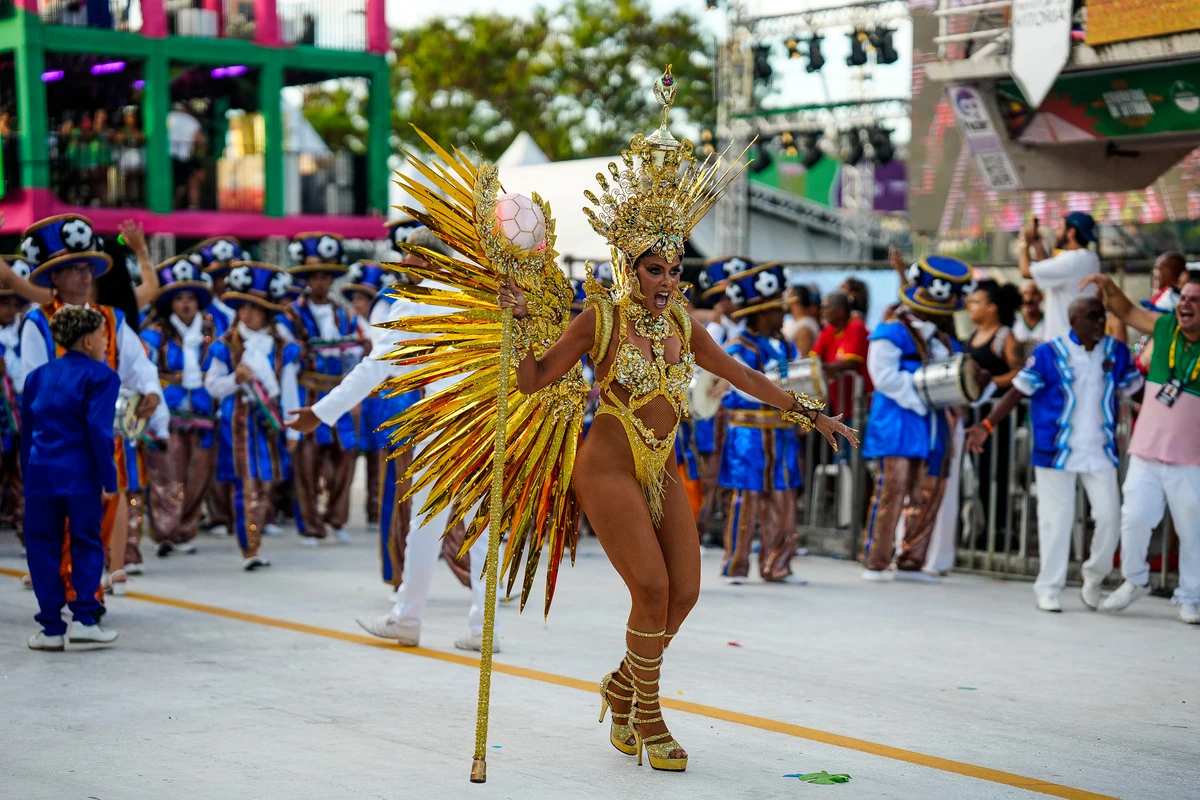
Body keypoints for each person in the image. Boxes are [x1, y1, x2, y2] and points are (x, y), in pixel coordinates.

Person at [287, 226, 485, 648]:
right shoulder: (474, 298)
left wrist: (319, 413)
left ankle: (408, 619)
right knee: (480, 528)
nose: (403, 264)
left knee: (426, 525)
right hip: (481, 424)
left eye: (410, 256)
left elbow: (375, 368)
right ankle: (485, 630)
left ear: (428, 260)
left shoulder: (421, 304)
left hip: (443, 423)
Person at [18, 214, 163, 598]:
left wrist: (150, 391)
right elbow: (31, 385)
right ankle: (73, 600)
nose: (85, 276)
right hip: (58, 443)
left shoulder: (113, 320)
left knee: (102, 516)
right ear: (54, 278)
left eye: (87, 268)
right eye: (74, 270)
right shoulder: (37, 323)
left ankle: (86, 594)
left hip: (105, 440)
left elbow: (138, 364)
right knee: (61, 522)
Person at [966, 295, 1141, 611]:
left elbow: (1138, 391)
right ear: (1074, 320)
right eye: (1092, 316)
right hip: (1054, 450)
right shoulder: (1049, 352)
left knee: (1110, 517)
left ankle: (1094, 576)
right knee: (1055, 521)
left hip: (1100, 450)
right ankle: (1048, 587)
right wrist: (987, 426)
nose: (1100, 321)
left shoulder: (1116, 352)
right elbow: (1018, 391)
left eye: (1102, 316)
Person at [1083, 272, 1200, 624]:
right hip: (1146, 453)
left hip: (1190, 459)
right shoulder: (1165, 328)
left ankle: (1191, 595)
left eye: (1195, 299)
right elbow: (1129, 312)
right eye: (1184, 297)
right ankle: (1134, 581)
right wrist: (1107, 285)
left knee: (1192, 529)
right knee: (1133, 520)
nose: (1186, 303)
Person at [861, 256, 972, 581]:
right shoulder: (890, 331)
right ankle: (877, 560)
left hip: (934, 428)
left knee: (929, 491)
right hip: (897, 424)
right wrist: (923, 395)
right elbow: (883, 376)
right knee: (891, 491)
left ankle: (911, 559)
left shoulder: (942, 339)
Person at [22, 306, 121, 650]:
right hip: (80, 475)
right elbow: (98, 430)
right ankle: (83, 619)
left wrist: (26, 476)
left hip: (39, 475)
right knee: (86, 542)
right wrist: (109, 479)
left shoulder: (36, 377)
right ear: (90, 340)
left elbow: (27, 434)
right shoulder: (102, 376)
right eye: (105, 336)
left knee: (42, 547)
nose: (108, 342)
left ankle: (51, 628)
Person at [202, 262, 300, 571]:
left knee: (266, 482)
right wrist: (236, 380)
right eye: (243, 306)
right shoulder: (226, 345)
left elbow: (289, 388)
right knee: (247, 483)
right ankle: (248, 548)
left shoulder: (283, 346)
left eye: (255, 308)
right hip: (239, 424)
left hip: (269, 425)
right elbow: (212, 386)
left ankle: (255, 541)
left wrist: (294, 428)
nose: (247, 313)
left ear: (267, 312)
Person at [715, 263, 808, 585]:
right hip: (749, 433)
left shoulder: (786, 345)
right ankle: (736, 565)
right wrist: (783, 390)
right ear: (759, 313)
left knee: (783, 498)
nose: (783, 315)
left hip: (781, 433)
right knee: (747, 498)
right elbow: (743, 387)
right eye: (776, 310)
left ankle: (777, 565)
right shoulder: (739, 346)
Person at [337, 258, 423, 580]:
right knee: (399, 492)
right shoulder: (389, 300)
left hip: (445, 412)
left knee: (454, 499)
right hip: (401, 408)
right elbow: (381, 360)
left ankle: (478, 578)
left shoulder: (449, 294)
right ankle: (397, 572)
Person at [282, 232, 363, 544]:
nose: (320, 282)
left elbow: (355, 355)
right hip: (308, 392)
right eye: (315, 276)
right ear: (306, 278)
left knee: (347, 454)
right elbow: (286, 357)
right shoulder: (290, 314)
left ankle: (337, 518)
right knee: (307, 460)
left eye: (326, 277)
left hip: (339, 393)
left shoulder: (344, 314)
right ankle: (310, 525)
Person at [140, 256, 219, 556]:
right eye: (178, 299)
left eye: (190, 298)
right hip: (168, 413)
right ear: (169, 303)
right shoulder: (153, 335)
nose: (185, 304)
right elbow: (145, 373)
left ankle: (186, 531)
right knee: (166, 474)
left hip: (203, 412)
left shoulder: (213, 336)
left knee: (198, 475)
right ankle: (165, 532)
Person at [186, 236, 247, 536]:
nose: (224, 282)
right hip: (203, 388)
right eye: (218, 277)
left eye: (229, 275)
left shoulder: (242, 309)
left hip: (238, 389)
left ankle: (238, 514)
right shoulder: (202, 310)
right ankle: (215, 513)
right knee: (206, 454)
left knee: (236, 452)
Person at [1019, 211, 1100, 340]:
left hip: (1063, 342)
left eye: (1060, 227)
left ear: (1071, 232)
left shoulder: (1070, 260)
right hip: (1078, 339)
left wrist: (1024, 243)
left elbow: (1026, 272)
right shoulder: (1090, 258)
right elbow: (1047, 268)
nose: (1056, 231)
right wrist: (1037, 244)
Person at [811, 292, 872, 423]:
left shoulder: (856, 327)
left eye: (826, 307)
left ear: (840, 310)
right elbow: (814, 358)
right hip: (840, 406)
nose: (822, 311)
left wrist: (824, 367)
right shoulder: (828, 330)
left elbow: (851, 362)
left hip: (861, 406)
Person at [0, 268, 28, 539]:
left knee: (24, 475)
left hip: (24, 414)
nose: (9, 308)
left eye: (13, 302)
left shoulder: (27, 333)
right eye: (3, 302)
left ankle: (25, 531)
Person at [783, 284, 821, 357]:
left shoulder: (805, 327)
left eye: (787, 294)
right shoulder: (790, 322)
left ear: (794, 297)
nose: (784, 298)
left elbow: (802, 359)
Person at [1012, 280, 1045, 348]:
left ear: (1041, 296)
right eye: (1025, 293)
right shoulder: (1014, 321)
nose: (1029, 298)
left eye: (1034, 293)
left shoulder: (1048, 321)